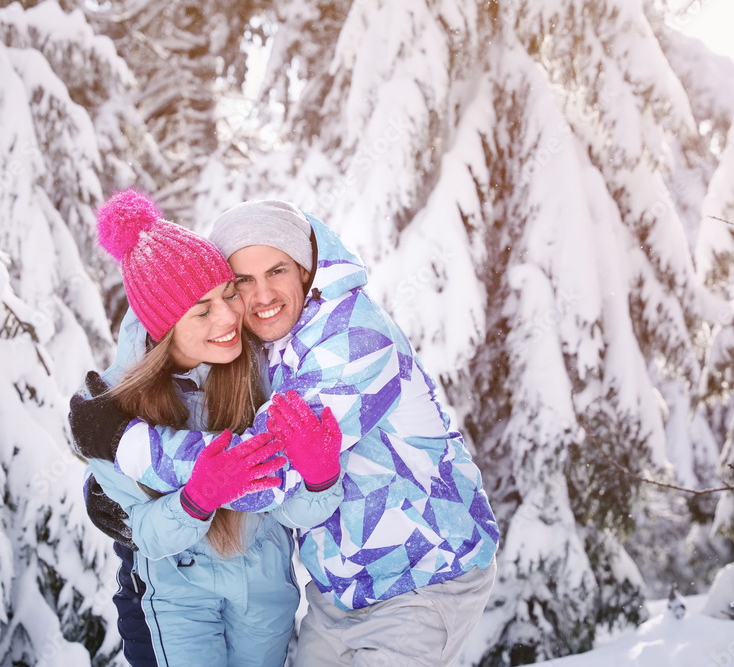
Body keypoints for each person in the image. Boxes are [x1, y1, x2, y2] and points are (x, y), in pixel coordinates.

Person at [90, 199, 500, 665]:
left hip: (423, 574)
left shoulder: (354, 340)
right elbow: (169, 310)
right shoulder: (261, 345)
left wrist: (120, 443)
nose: (261, 295)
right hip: (339, 591)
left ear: (306, 269)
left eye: (277, 270)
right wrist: (111, 471)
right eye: (243, 280)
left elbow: (264, 473)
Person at [69, 190, 343, 667]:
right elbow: (145, 536)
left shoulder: (259, 372)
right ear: (164, 326)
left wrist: (320, 477)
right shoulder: (117, 411)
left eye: (227, 294)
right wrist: (196, 500)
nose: (229, 317)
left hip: (265, 599)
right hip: (178, 606)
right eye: (202, 311)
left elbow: (292, 507)